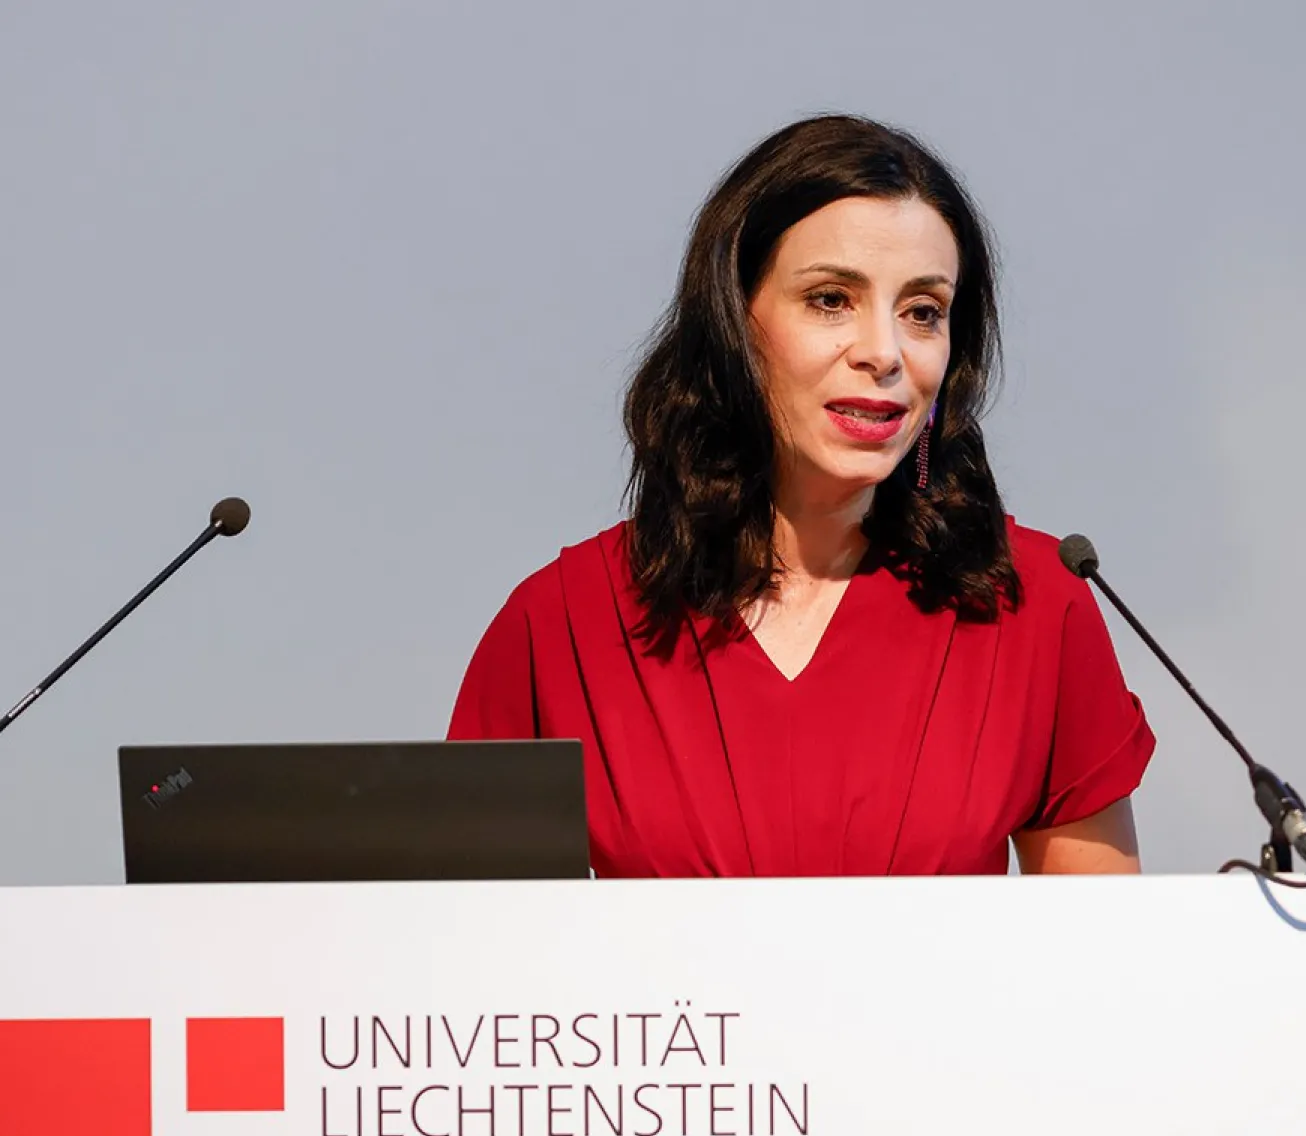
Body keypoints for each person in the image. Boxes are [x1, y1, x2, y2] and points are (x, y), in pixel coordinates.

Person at [447, 113, 1155, 878]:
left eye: (923, 312)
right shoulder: (558, 627)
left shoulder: (1037, 606)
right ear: (733, 320)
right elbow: (467, 944)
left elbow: (1104, 947)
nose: (884, 353)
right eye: (830, 299)